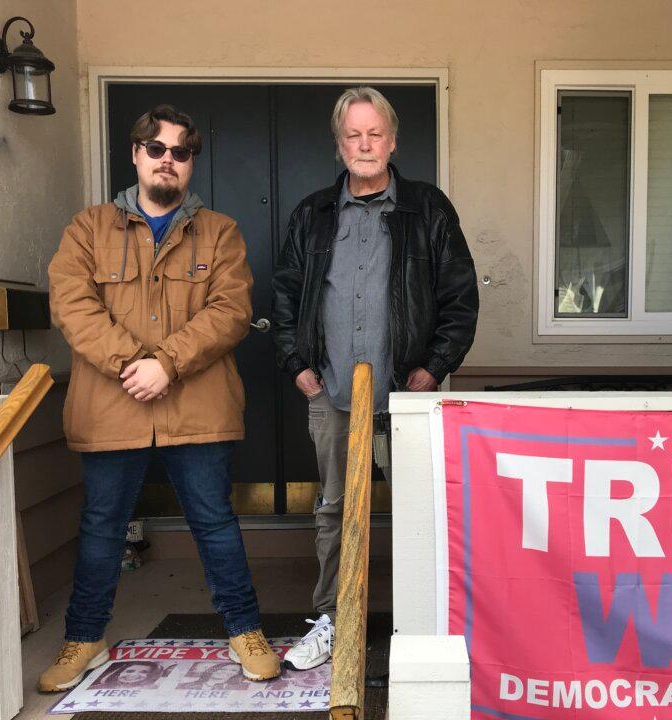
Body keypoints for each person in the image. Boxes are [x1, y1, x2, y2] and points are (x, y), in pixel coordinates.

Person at [41, 104, 280, 692]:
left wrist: (166, 363)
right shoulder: (88, 228)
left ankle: (245, 630)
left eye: (180, 151)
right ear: (135, 154)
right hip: (111, 404)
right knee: (102, 526)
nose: (167, 160)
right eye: (156, 148)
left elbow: (231, 310)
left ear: (191, 162)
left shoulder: (219, 231)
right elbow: (72, 304)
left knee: (215, 522)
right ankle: (84, 637)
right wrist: (134, 364)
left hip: (197, 405)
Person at [272, 86, 479, 670]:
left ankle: (424, 629)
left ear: (392, 141)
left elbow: (460, 300)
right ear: (339, 146)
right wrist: (299, 369)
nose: (364, 145)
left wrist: (430, 371)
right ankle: (334, 619)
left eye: (375, 134)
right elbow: (285, 297)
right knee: (335, 511)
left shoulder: (427, 208)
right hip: (332, 394)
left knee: (421, 511)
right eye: (353, 135)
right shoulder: (312, 214)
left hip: (407, 398)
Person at [88, 661, 165, 690]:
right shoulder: (96, 688)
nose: (134, 674)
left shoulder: (154, 688)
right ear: (119, 673)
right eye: (129, 671)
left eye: (143, 672)